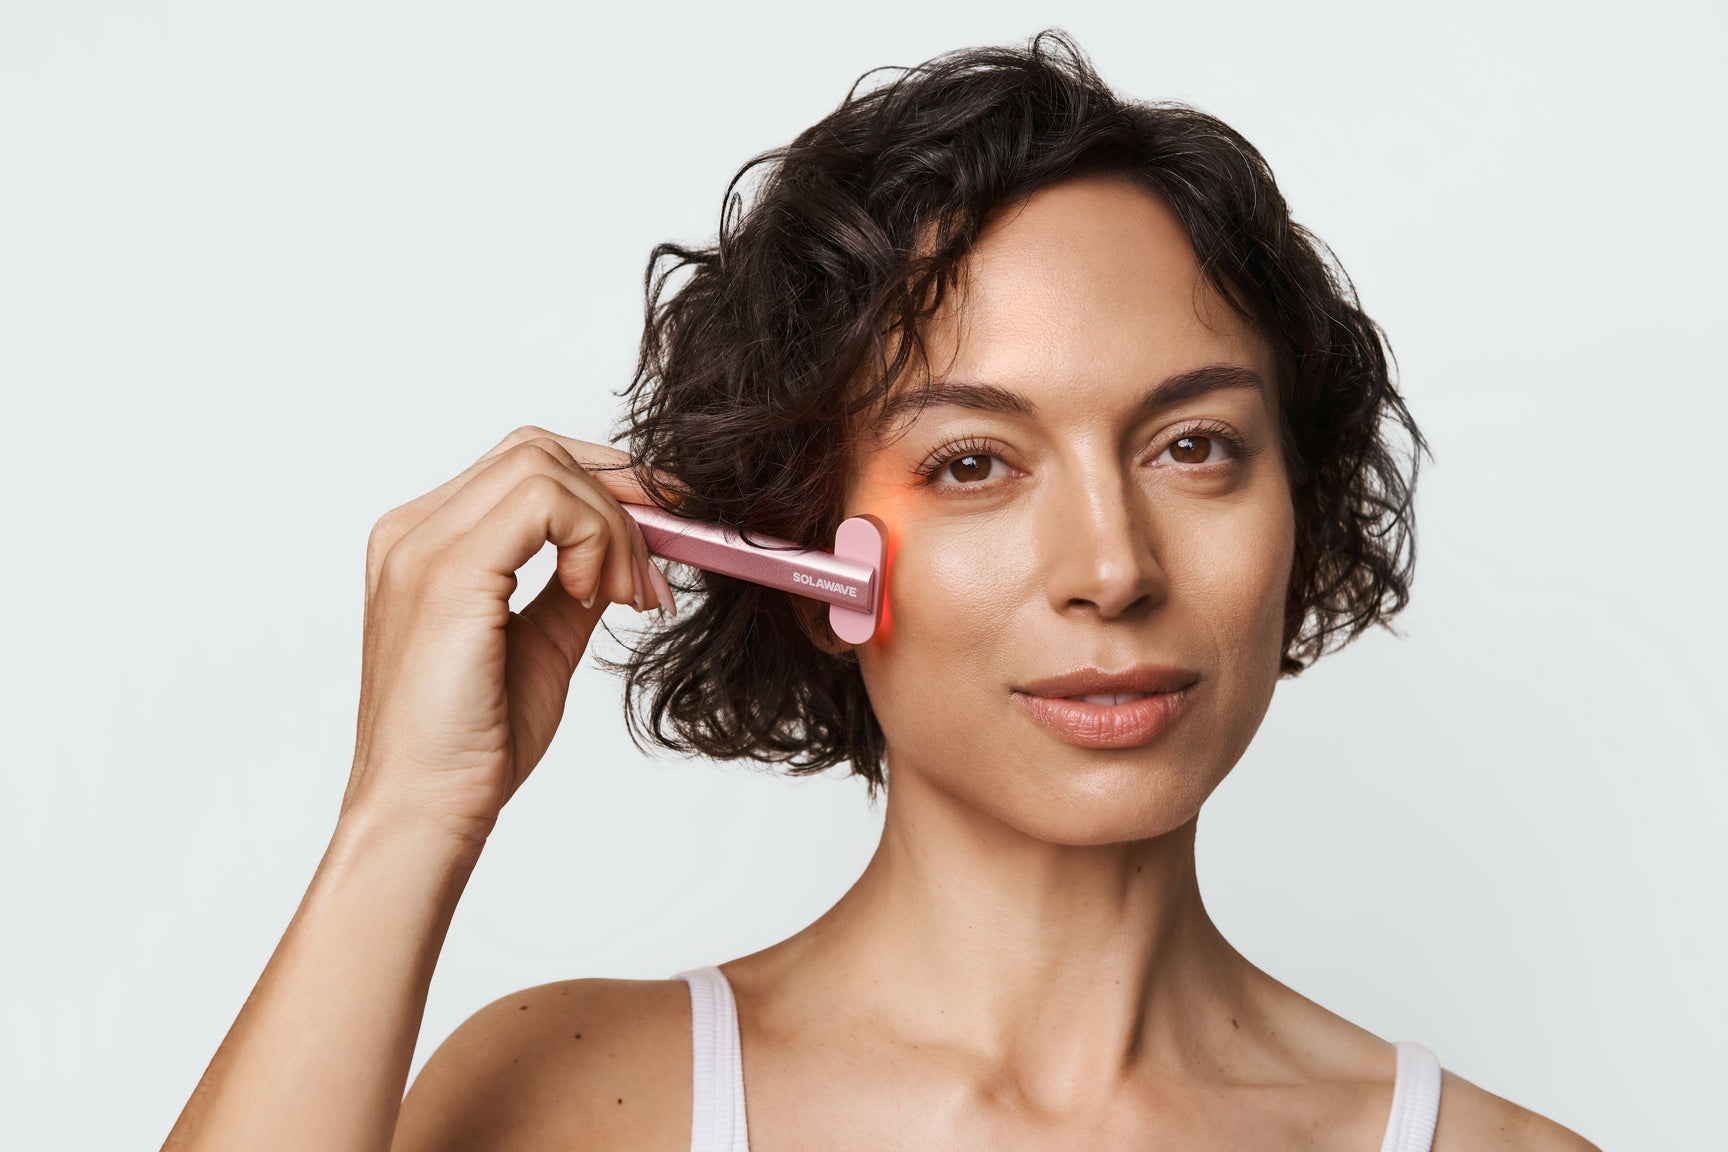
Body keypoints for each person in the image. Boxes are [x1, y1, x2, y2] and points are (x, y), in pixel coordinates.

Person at [164, 30, 1600, 1152]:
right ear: (804, 558)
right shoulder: (576, 1101)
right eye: (973, 463)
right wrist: (406, 814)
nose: (1114, 568)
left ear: (1299, 506)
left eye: (1194, 446)